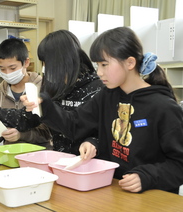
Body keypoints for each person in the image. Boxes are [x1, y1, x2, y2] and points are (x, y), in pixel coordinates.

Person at [22, 27, 183, 194]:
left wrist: (147, 177)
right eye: (97, 65)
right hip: (113, 190)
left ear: (130, 63)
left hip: (154, 196)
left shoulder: (163, 106)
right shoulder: (107, 96)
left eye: (104, 65)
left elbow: (179, 164)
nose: (99, 72)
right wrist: (44, 105)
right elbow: (74, 125)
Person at [0, 30, 104, 155]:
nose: (44, 69)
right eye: (2, 68)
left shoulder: (95, 88)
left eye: (46, 63)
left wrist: (22, 135)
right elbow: (24, 119)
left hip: (80, 161)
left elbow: (73, 126)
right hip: (57, 161)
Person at [0, 38, 52, 156]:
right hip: (9, 155)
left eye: (12, 68)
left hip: (39, 155)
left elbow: (48, 132)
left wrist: (21, 135)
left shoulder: (42, 88)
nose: (7, 73)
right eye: (2, 68)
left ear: (26, 63)